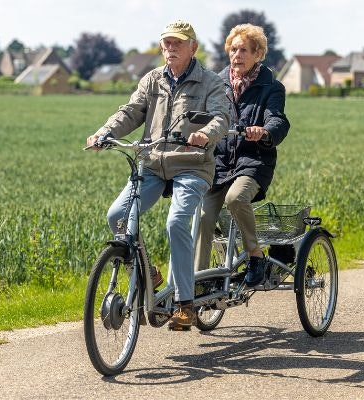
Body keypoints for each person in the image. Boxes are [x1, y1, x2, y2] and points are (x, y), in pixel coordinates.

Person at [86, 20, 229, 331]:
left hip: (192, 164)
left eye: (177, 43)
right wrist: (104, 132)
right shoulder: (152, 80)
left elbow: (220, 116)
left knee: (176, 222)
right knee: (117, 216)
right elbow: (130, 112)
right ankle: (149, 273)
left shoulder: (210, 83)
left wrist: (206, 133)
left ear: (193, 47)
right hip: (152, 165)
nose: (170, 48)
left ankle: (184, 303)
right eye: (166, 43)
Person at [194, 24, 290, 287]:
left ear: (257, 54)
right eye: (233, 49)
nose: (237, 55)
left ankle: (255, 256)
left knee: (236, 198)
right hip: (221, 162)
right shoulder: (217, 83)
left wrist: (265, 131)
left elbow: (278, 120)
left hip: (254, 161)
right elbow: (204, 115)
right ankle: (200, 282)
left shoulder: (272, 87)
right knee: (203, 216)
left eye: (244, 50)